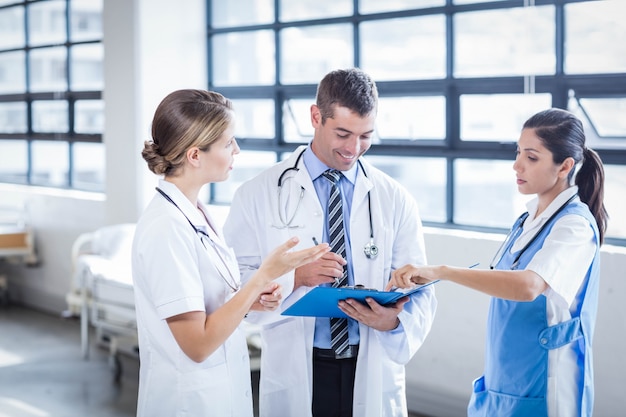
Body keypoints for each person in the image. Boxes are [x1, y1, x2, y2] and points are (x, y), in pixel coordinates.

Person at [223, 68, 437, 417]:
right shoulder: (257, 193)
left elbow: (419, 284)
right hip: (300, 364)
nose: (354, 148)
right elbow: (233, 285)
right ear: (315, 116)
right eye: (343, 133)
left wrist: (394, 322)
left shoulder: (394, 198)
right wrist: (295, 277)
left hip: (370, 361)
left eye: (366, 135)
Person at [388, 108, 608, 417]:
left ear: (565, 166)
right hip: (505, 380)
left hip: (547, 385)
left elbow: (529, 286)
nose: (517, 165)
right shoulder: (528, 220)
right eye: (518, 152)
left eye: (532, 158)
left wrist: (443, 271)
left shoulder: (574, 227)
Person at [131, 89, 329, 417]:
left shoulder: (196, 214)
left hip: (220, 395)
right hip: (187, 403)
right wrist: (262, 276)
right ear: (195, 155)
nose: (236, 149)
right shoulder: (166, 229)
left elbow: (210, 305)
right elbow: (197, 344)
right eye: (228, 142)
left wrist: (252, 299)